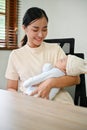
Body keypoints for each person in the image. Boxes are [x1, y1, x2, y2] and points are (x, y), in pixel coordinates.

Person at [5, 7, 80, 104]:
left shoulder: (55, 49)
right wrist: (22, 101)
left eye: (44, 29)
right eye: (35, 29)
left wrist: (51, 83)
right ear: (24, 28)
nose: (40, 35)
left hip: (59, 102)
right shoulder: (16, 55)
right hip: (30, 102)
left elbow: (76, 79)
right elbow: (11, 88)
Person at [22, 54, 87, 100]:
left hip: (35, 95)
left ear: (66, 69)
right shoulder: (60, 73)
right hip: (46, 99)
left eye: (62, 61)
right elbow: (46, 72)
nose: (60, 59)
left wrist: (27, 83)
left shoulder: (56, 72)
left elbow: (40, 77)